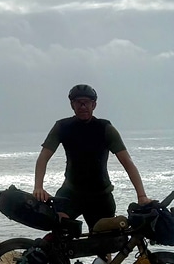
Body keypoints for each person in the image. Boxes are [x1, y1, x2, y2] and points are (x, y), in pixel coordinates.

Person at [33, 83, 152, 230]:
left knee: (104, 245)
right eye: (78, 102)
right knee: (59, 230)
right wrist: (38, 187)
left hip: (101, 196)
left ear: (94, 105)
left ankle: (103, 253)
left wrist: (141, 196)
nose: (83, 106)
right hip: (70, 193)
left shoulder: (105, 129)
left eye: (87, 102)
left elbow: (127, 163)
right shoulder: (62, 127)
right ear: (72, 105)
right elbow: (43, 158)